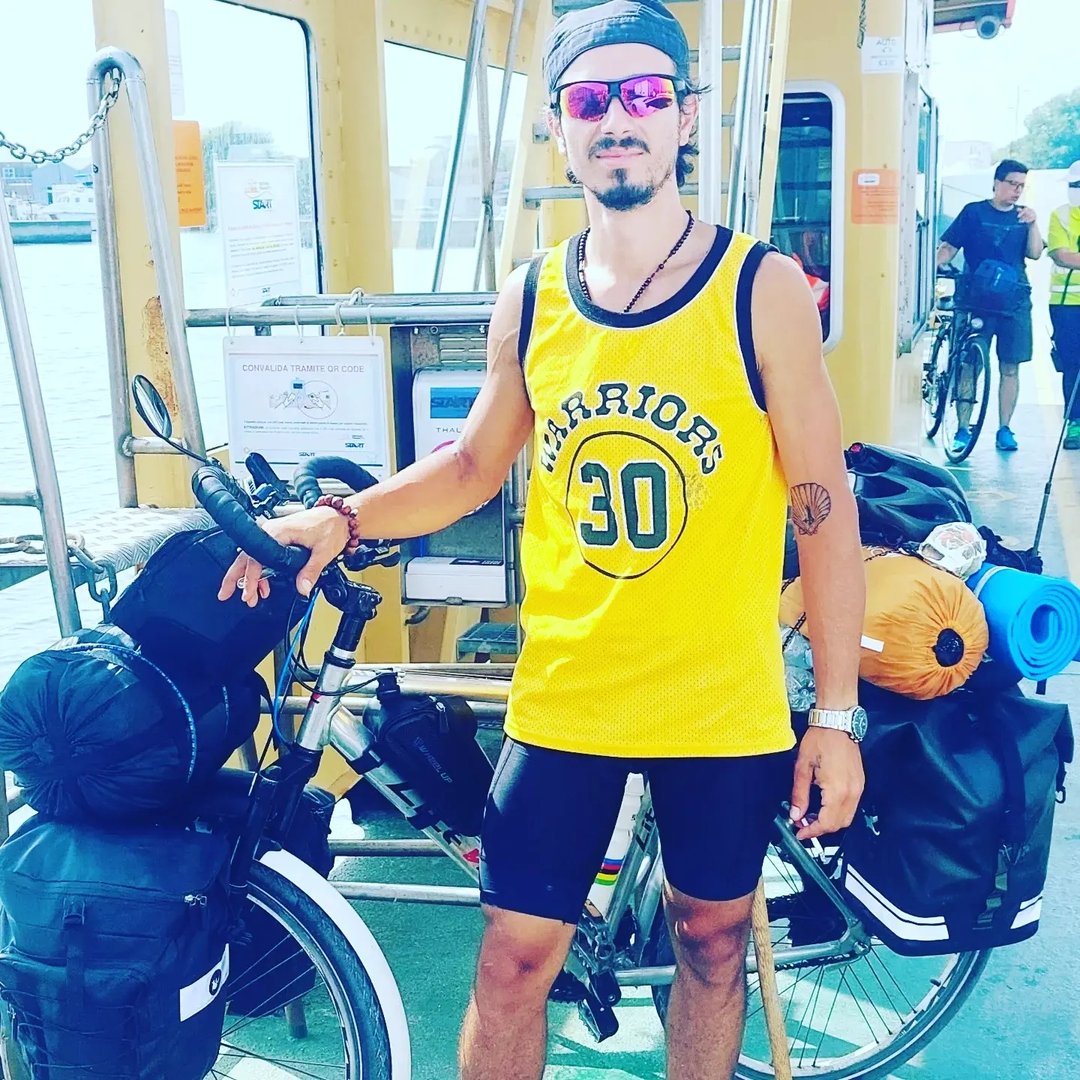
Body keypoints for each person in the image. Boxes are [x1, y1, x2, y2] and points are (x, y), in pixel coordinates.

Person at [218, 2, 866, 1076]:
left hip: (722, 695)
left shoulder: (762, 290)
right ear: (560, 129)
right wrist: (340, 519)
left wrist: (835, 715)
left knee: (711, 945)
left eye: (646, 95)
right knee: (515, 959)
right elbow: (473, 466)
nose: (619, 118)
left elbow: (822, 504)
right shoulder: (532, 296)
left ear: (685, 117)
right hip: (569, 690)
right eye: (590, 99)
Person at [936, 158, 1044, 454]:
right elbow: (949, 247)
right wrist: (933, 266)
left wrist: (1033, 223)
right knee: (969, 364)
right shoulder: (973, 212)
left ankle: (1005, 428)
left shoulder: (1024, 217)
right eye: (1012, 184)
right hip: (976, 299)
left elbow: (1035, 253)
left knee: (1011, 367)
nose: (1017, 190)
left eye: (1021, 186)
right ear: (996, 183)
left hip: (1014, 301)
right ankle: (962, 428)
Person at [1047, 160, 1080, 449]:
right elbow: (1062, 255)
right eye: (1074, 185)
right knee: (1072, 365)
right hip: (1066, 303)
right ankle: (1075, 423)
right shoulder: (1061, 215)